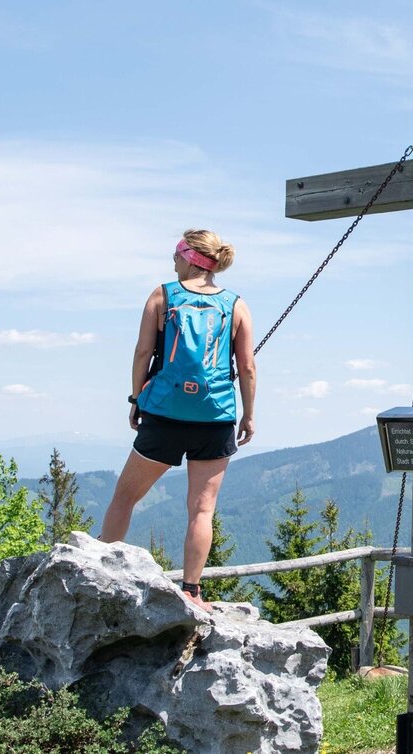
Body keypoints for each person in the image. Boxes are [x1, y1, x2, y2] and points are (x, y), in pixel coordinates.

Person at [100, 229, 255, 613]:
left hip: (165, 411)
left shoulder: (163, 294)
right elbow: (247, 367)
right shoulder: (235, 305)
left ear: (189, 257)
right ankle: (191, 591)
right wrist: (248, 415)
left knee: (125, 495)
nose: (172, 260)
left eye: (175, 253)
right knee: (201, 510)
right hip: (215, 415)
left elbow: (142, 352)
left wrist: (137, 398)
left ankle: (100, 570)